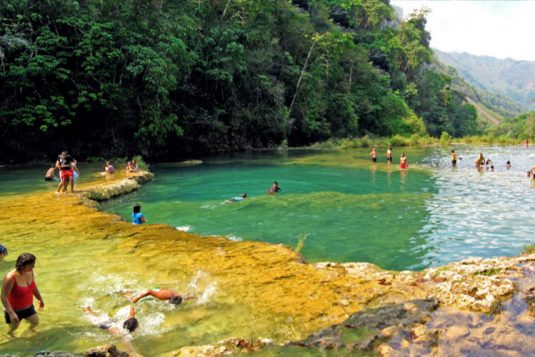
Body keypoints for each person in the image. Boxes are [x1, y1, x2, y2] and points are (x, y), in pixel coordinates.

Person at [1, 253, 44, 336]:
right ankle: (9, 337)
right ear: (23, 265)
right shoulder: (10, 278)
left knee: (35, 322)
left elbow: (33, 286)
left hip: (28, 307)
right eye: (31, 265)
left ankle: (28, 332)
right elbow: (3, 297)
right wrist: (11, 313)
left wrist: (39, 298)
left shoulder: (30, 272)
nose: (33, 267)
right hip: (14, 310)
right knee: (13, 329)